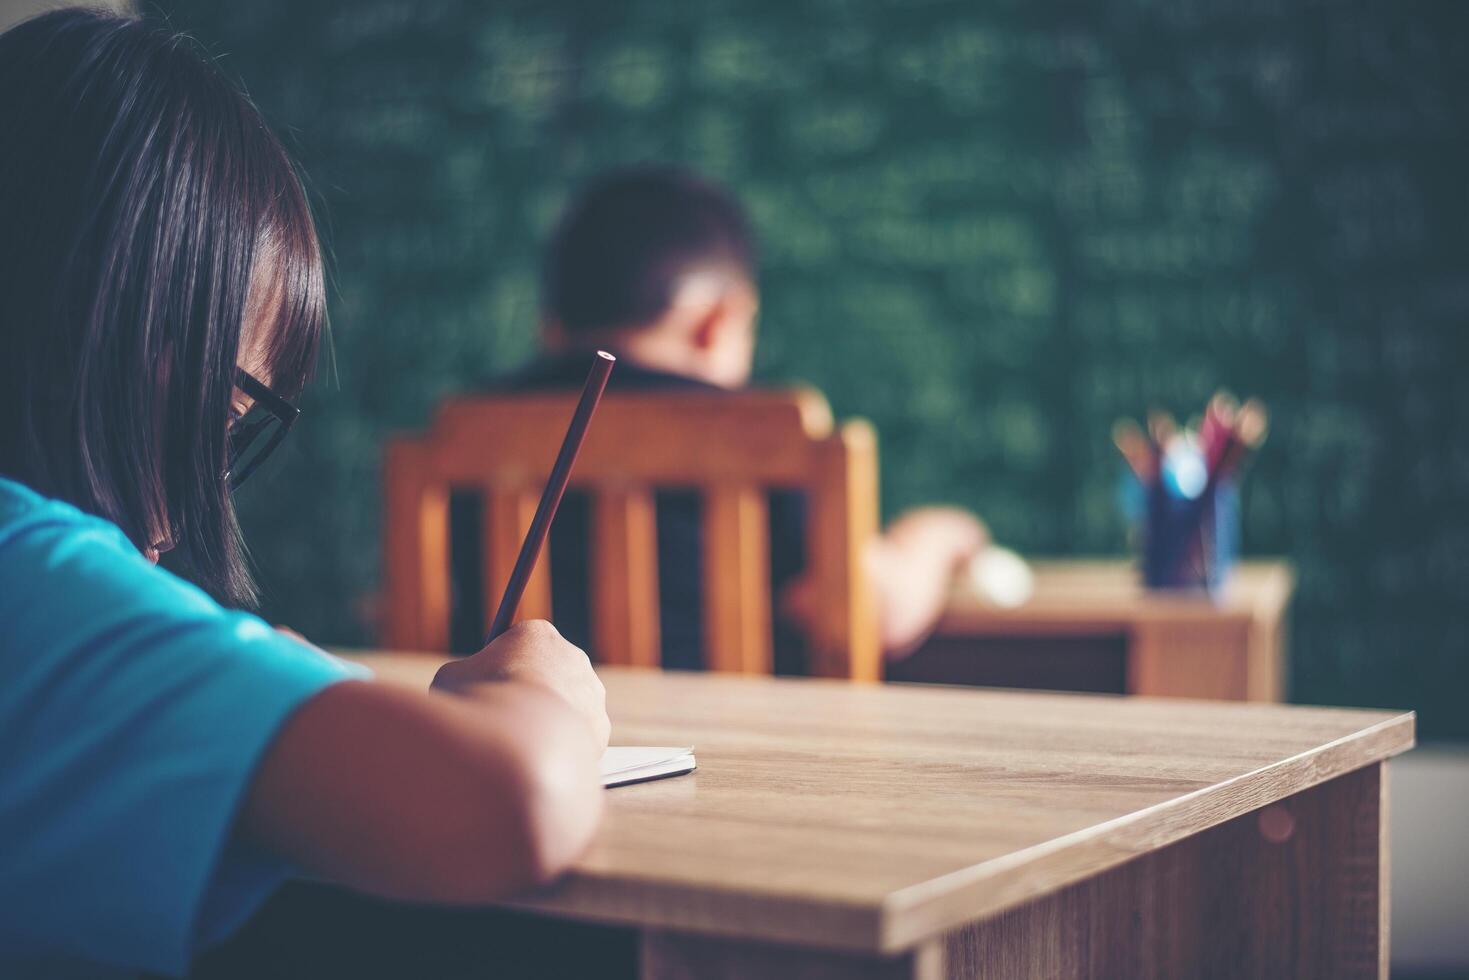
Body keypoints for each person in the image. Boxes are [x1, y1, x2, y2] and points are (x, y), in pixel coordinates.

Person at [0, 11, 609, 978]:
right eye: (232, 407)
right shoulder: (33, 586)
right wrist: (542, 695)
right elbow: (516, 803)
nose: (213, 464)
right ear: (113, 325)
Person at [452, 167, 988, 668]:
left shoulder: (466, 433)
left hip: (521, 744)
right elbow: (876, 611)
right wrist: (936, 534)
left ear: (550, 325)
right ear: (720, 320)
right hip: (727, 753)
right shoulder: (763, 437)